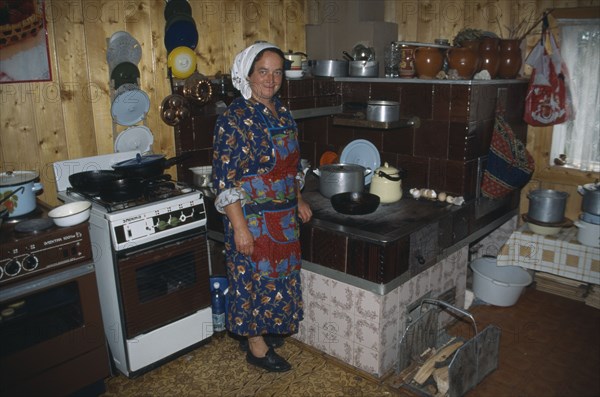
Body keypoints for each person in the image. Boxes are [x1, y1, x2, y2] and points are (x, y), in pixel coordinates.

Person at [212, 42, 312, 373]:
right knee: (252, 280)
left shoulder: (281, 111)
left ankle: (266, 329)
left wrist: (297, 198)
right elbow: (226, 181)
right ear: (247, 74)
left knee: (278, 279)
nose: (270, 80)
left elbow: (291, 163)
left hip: (282, 217)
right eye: (263, 72)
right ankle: (255, 347)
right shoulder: (234, 118)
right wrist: (239, 227)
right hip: (251, 218)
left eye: (277, 72)